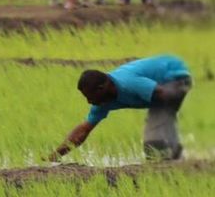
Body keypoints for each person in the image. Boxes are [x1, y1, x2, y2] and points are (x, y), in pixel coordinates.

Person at [48, 54, 193, 162]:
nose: (89, 101)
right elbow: (83, 131)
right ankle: (174, 159)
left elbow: (164, 94)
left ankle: (174, 164)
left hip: (175, 78)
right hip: (163, 88)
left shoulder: (129, 83)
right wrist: (55, 156)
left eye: (90, 96)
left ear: (101, 88)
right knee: (157, 142)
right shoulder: (102, 101)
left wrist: (173, 112)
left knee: (154, 141)